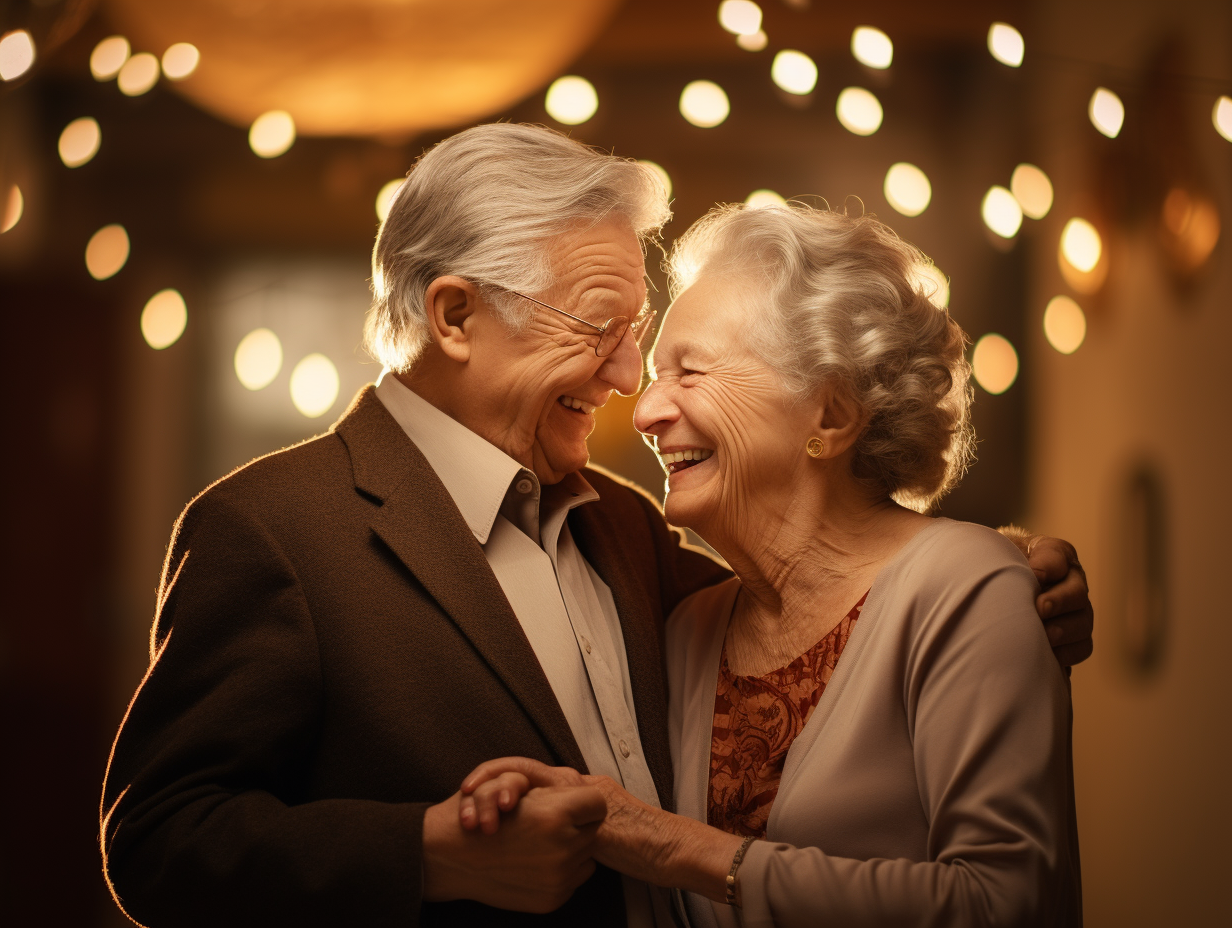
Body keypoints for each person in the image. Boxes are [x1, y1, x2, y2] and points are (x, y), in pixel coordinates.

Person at [100, 124, 1091, 928]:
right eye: (600, 329)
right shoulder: (270, 529)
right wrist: (425, 853)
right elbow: (159, 838)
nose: (628, 382)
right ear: (454, 317)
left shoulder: (620, 521)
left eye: (648, 344)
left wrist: (996, 571)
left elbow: (821, 616)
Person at [459, 202, 1082, 927]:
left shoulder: (965, 590)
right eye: (659, 374)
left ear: (830, 415)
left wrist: (661, 842)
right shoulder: (690, 627)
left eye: (690, 371)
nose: (646, 409)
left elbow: (1004, 906)